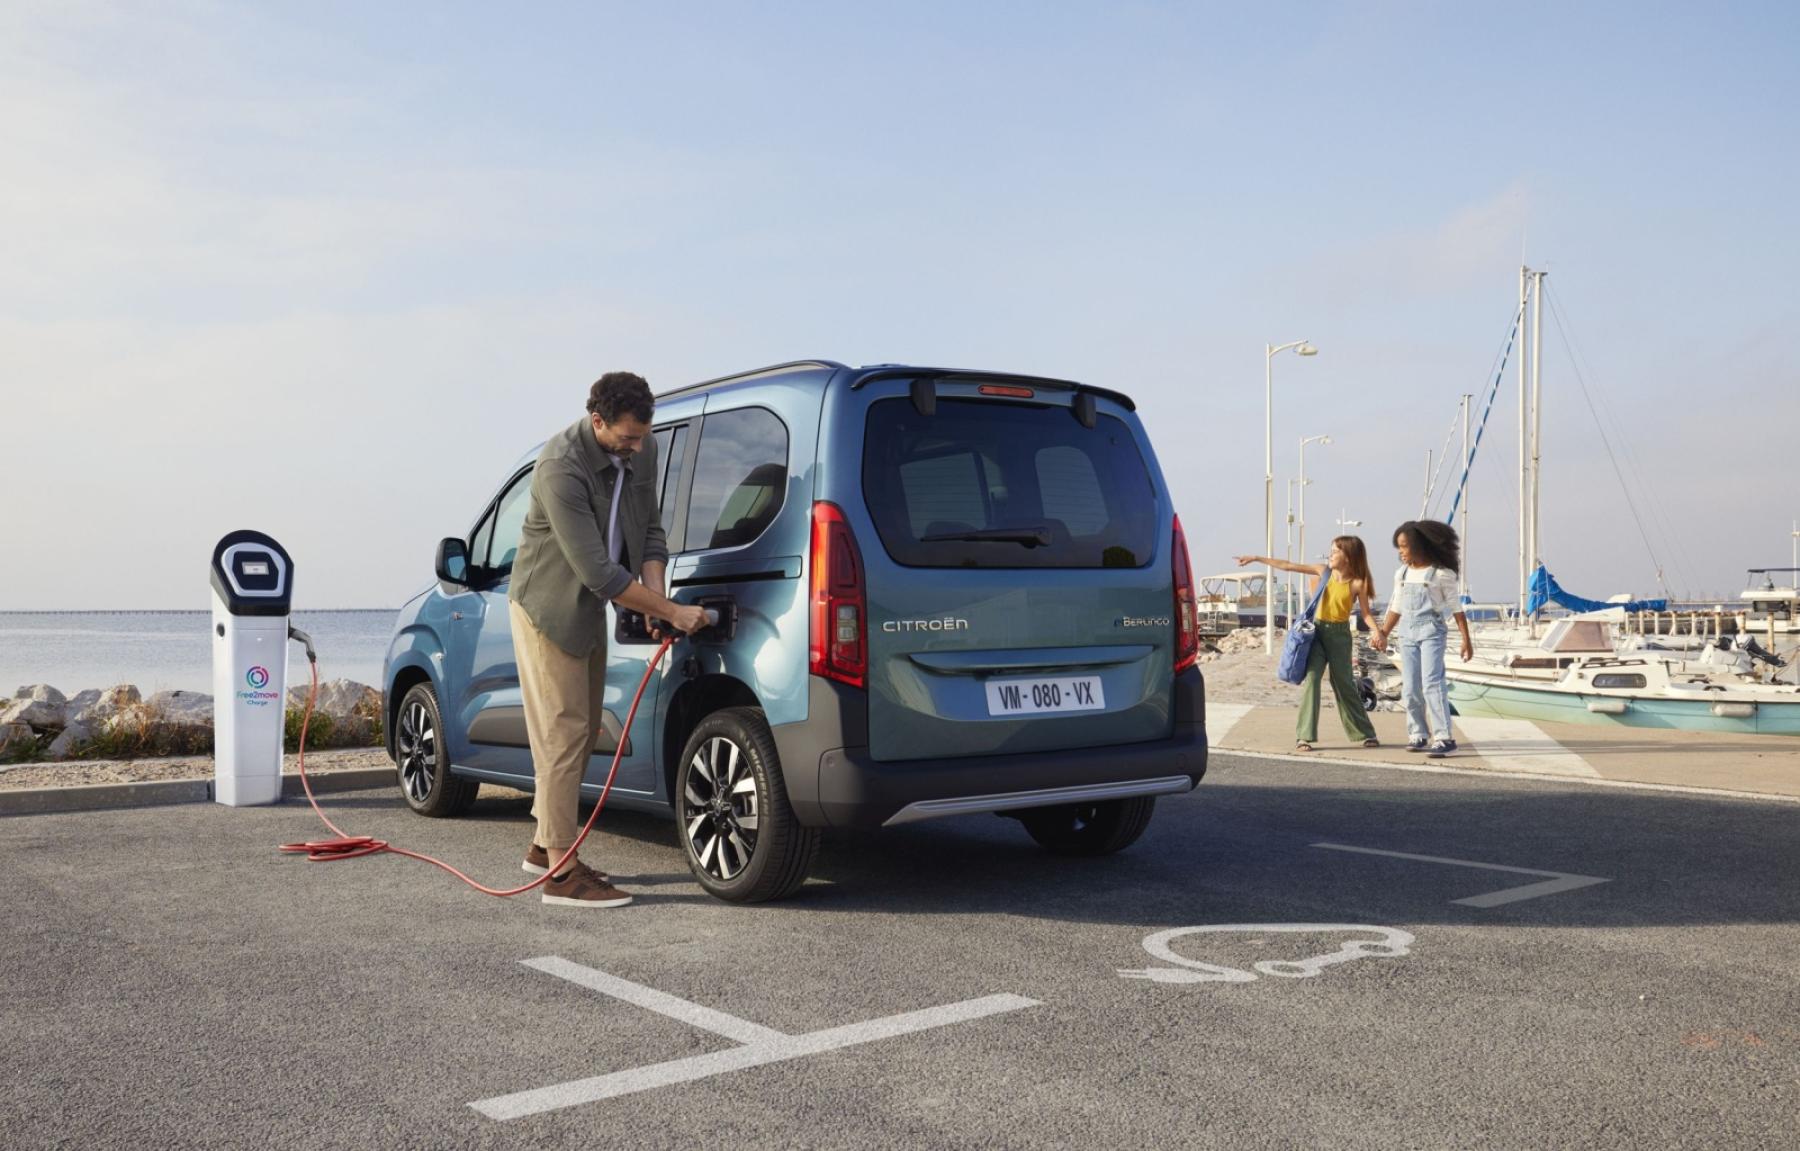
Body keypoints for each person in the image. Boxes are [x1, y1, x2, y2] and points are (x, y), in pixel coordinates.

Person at [508, 372, 708, 908]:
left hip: (591, 604)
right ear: (597, 421)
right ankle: (560, 876)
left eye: (642, 436)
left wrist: (656, 599)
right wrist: (672, 612)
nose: (637, 448)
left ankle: (544, 848)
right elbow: (598, 571)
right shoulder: (559, 466)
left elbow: (651, 532)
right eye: (627, 438)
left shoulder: (643, 446)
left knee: (584, 727)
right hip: (548, 607)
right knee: (564, 733)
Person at [1235, 537, 1384, 752]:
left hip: (1340, 637)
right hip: (1317, 633)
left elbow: (1366, 614)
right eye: (1331, 550)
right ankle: (1304, 736)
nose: (1330, 554)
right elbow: (1288, 565)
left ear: (1349, 556)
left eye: (1336, 551)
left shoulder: (1358, 583)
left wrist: (1377, 631)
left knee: (1344, 684)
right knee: (1312, 680)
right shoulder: (1323, 572)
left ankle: (1366, 733)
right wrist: (1257, 558)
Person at [1371, 519, 1473, 759]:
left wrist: (1466, 640)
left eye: (1404, 546)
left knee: (1432, 684)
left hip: (1431, 632)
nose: (1401, 552)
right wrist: (1383, 632)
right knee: (1410, 687)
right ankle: (1418, 733)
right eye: (1398, 547)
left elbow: (1456, 609)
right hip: (1406, 632)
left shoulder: (1442, 574)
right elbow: (1396, 606)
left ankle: (1444, 738)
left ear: (1419, 546)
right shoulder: (1402, 573)